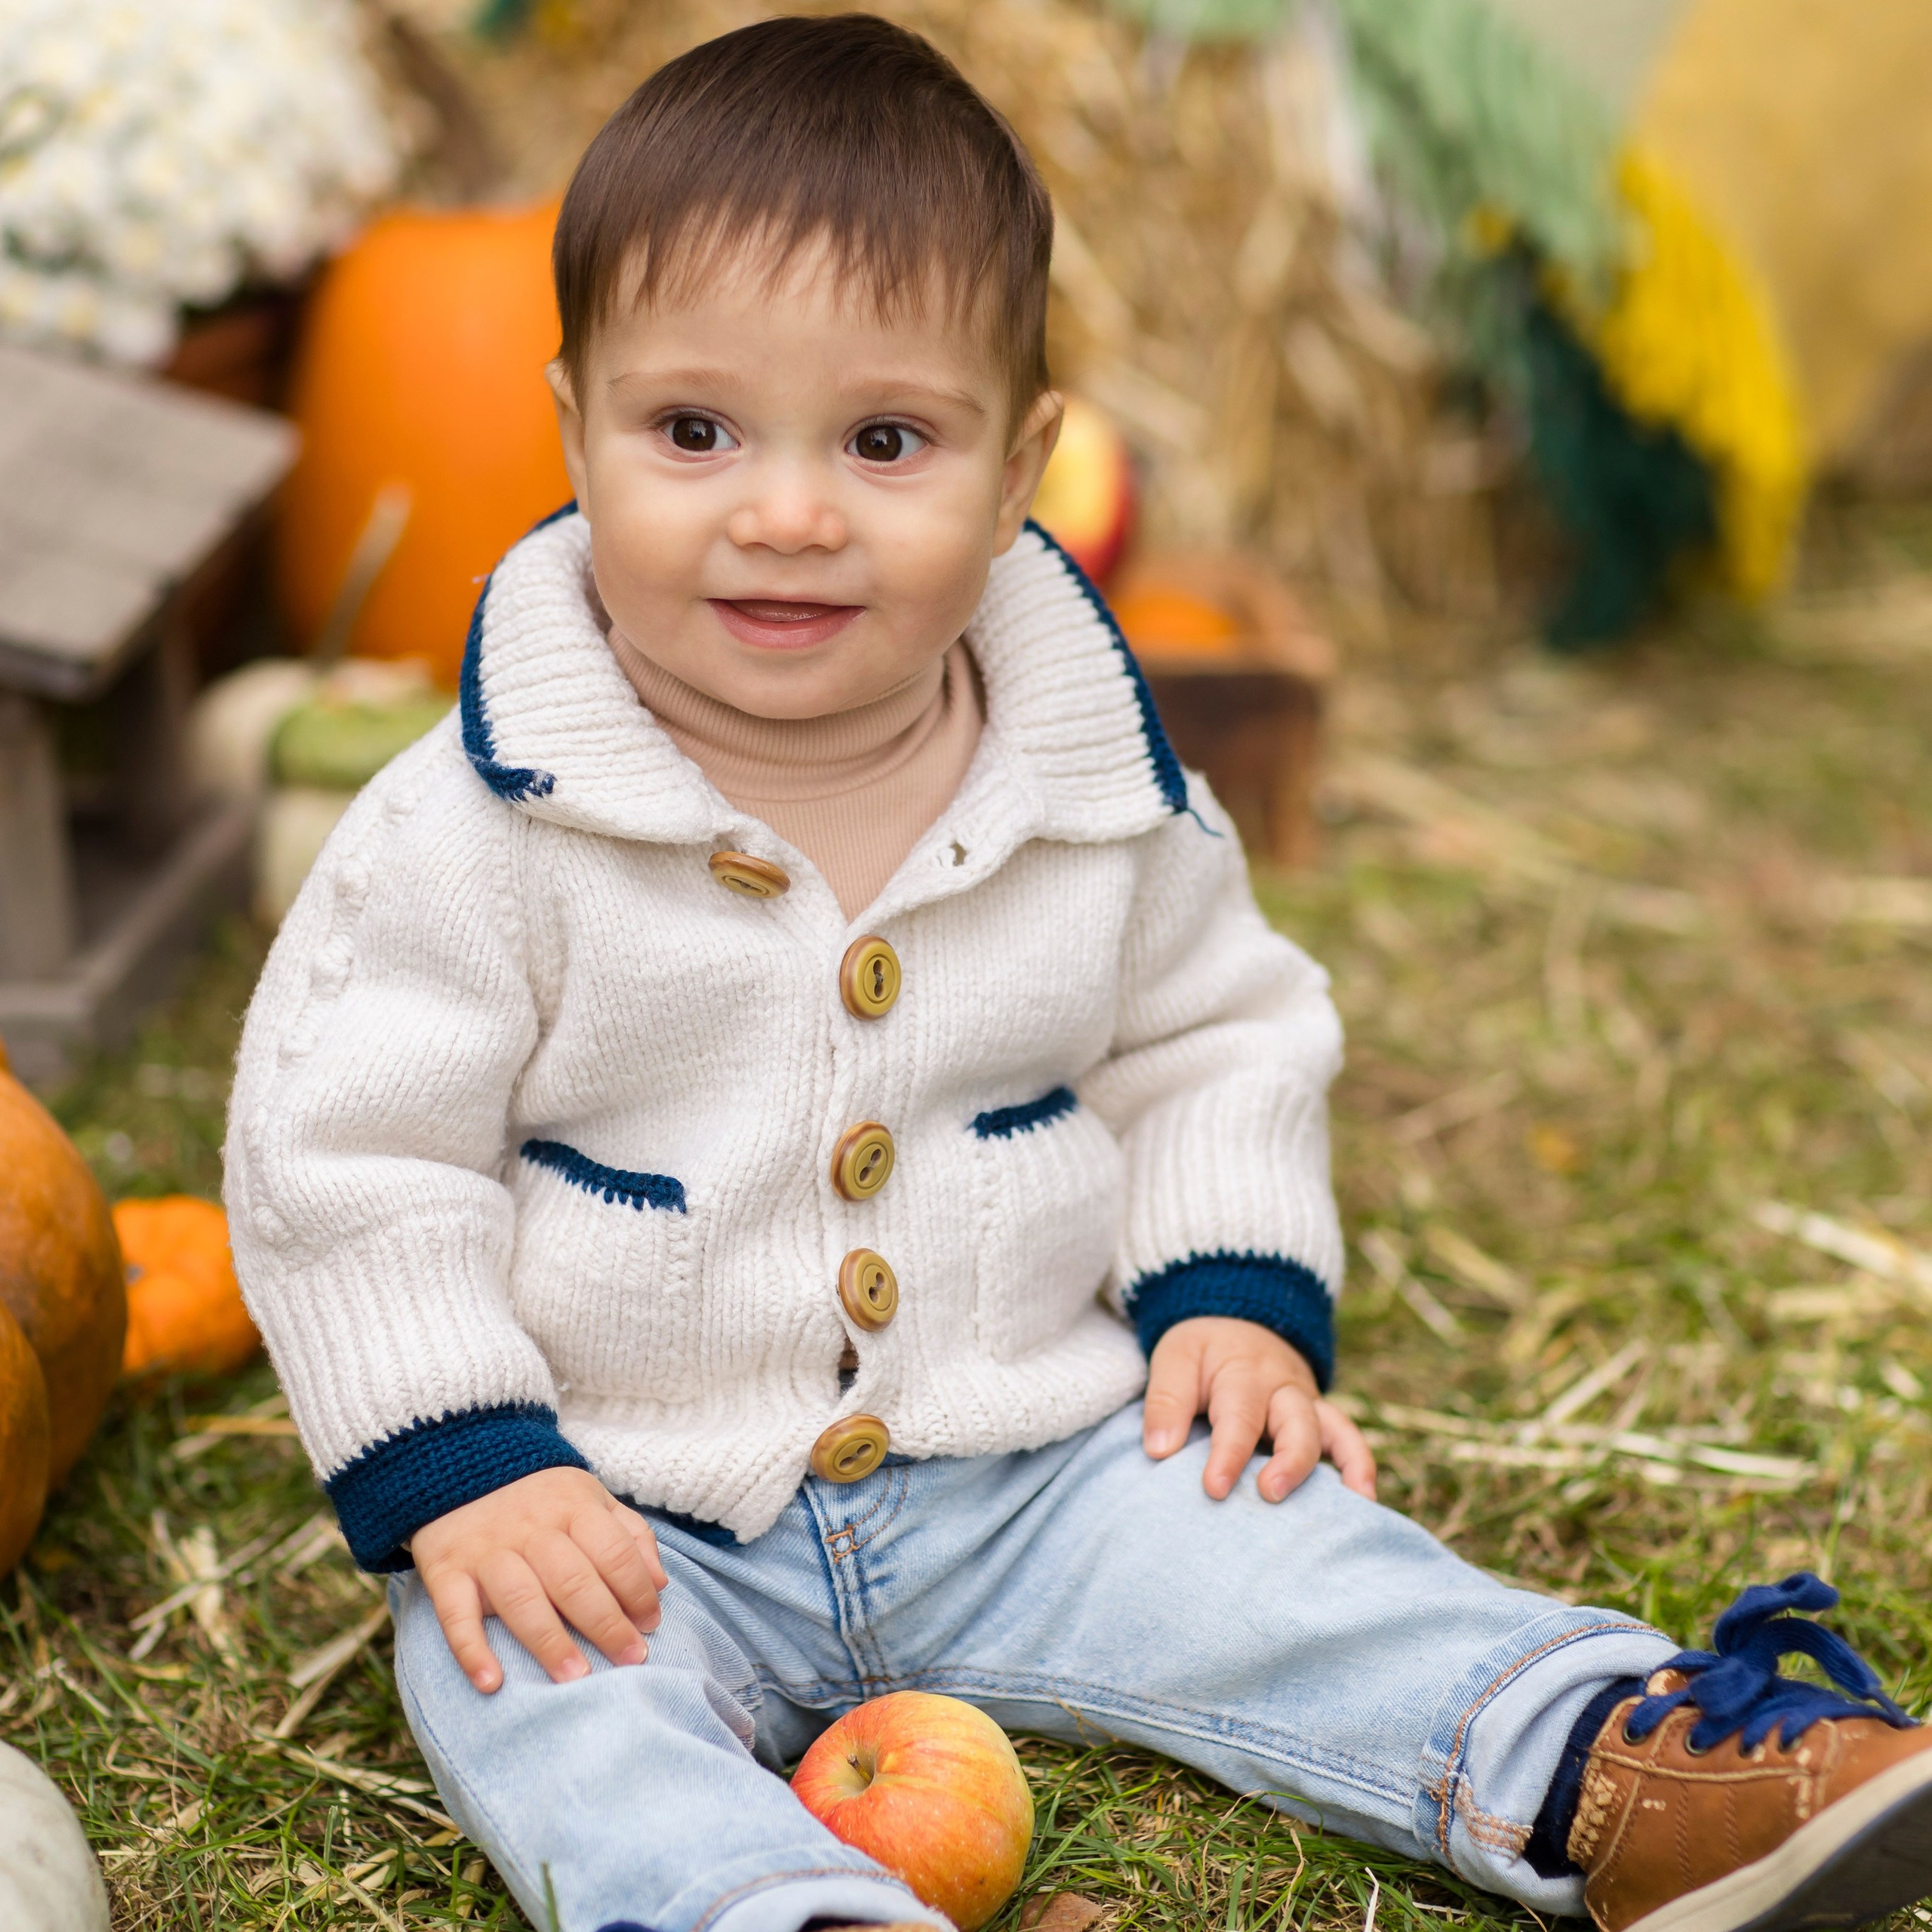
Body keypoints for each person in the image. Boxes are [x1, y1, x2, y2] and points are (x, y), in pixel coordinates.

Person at [225, 17, 1932, 1932]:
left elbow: (1217, 1035)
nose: (786, 510)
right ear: (569, 429)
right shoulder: (478, 819)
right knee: (527, 1689)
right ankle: (765, 1904)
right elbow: (346, 1155)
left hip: (1034, 1464)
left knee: (1296, 1557)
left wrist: (1227, 1297)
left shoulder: (1095, 789)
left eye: (885, 441)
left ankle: (1596, 1756)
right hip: (623, 1505)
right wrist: (465, 1461)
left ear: (1022, 457)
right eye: (693, 430)